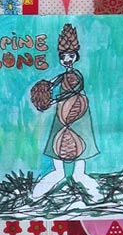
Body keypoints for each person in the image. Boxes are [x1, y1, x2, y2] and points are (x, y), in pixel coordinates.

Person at [31, 23, 101, 199]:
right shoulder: (62, 76)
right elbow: (53, 82)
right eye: (63, 57)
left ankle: (80, 176)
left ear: (76, 56)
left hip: (78, 112)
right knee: (57, 141)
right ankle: (57, 174)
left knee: (81, 142)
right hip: (62, 113)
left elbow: (75, 90)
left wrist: (54, 99)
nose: (67, 59)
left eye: (70, 55)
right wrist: (45, 87)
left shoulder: (77, 75)